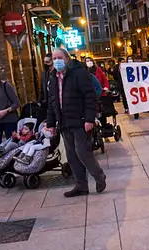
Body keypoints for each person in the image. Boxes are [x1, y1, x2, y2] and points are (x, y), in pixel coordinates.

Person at [47, 48, 107, 197]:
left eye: (59, 57)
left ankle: (99, 176)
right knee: (71, 155)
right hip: (64, 122)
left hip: (80, 121)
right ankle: (81, 185)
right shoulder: (53, 77)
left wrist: (89, 119)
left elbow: (90, 96)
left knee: (83, 152)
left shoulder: (79, 74)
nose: (57, 61)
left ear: (67, 59)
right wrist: (51, 123)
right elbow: (52, 101)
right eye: (54, 58)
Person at [38, 53, 54, 123]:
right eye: (44, 62)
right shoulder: (44, 74)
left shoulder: (57, 72)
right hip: (47, 102)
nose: (45, 64)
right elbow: (42, 88)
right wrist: (39, 101)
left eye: (47, 62)